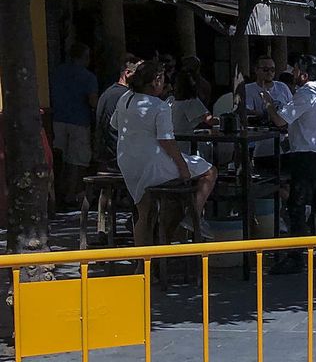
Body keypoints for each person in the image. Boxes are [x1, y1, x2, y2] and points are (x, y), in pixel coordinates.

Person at [115, 59, 217, 243]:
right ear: (156, 80)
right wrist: (183, 168)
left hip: (128, 162)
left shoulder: (125, 99)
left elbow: (114, 123)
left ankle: (143, 265)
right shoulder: (159, 106)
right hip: (153, 163)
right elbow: (167, 141)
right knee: (210, 171)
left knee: (144, 214)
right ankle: (193, 217)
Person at [267, 57, 316, 273]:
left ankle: (296, 256)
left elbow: (280, 121)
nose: (294, 74)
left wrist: (269, 105)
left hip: (307, 156)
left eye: (296, 70)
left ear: (304, 75)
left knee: (297, 206)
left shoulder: (305, 95)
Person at [49, 43, 99, 205]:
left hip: (58, 119)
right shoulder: (88, 77)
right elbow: (93, 102)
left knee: (59, 159)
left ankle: (57, 193)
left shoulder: (57, 72)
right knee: (78, 161)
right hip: (79, 121)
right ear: (85, 57)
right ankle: (72, 193)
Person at [95, 53, 140, 166]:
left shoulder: (108, 93)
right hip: (118, 158)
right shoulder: (125, 96)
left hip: (107, 155)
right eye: (140, 74)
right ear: (127, 73)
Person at [243, 56, 292, 125]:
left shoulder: (282, 87)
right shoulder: (248, 89)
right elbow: (247, 111)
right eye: (265, 69)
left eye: (272, 70)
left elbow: (292, 107)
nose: (269, 73)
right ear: (256, 70)